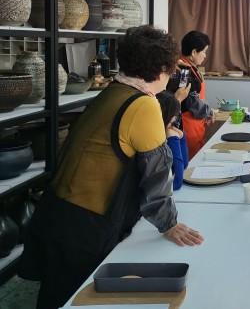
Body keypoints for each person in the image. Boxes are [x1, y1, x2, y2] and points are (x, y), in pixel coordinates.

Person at [19, 26, 204, 309]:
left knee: (55, 297)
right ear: (162, 69)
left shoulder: (113, 91)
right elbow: (157, 176)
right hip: (85, 225)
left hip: (55, 210)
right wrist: (169, 224)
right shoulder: (144, 105)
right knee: (74, 299)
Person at [176, 30, 214, 160]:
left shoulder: (191, 68)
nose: (205, 56)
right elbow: (190, 101)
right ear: (193, 52)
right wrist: (208, 112)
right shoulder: (184, 70)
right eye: (204, 51)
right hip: (188, 127)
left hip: (197, 123)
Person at [157, 91, 188, 191]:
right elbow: (177, 182)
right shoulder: (156, 142)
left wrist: (181, 137)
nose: (174, 119)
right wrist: (173, 139)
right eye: (171, 121)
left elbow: (185, 164)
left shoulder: (165, 133)